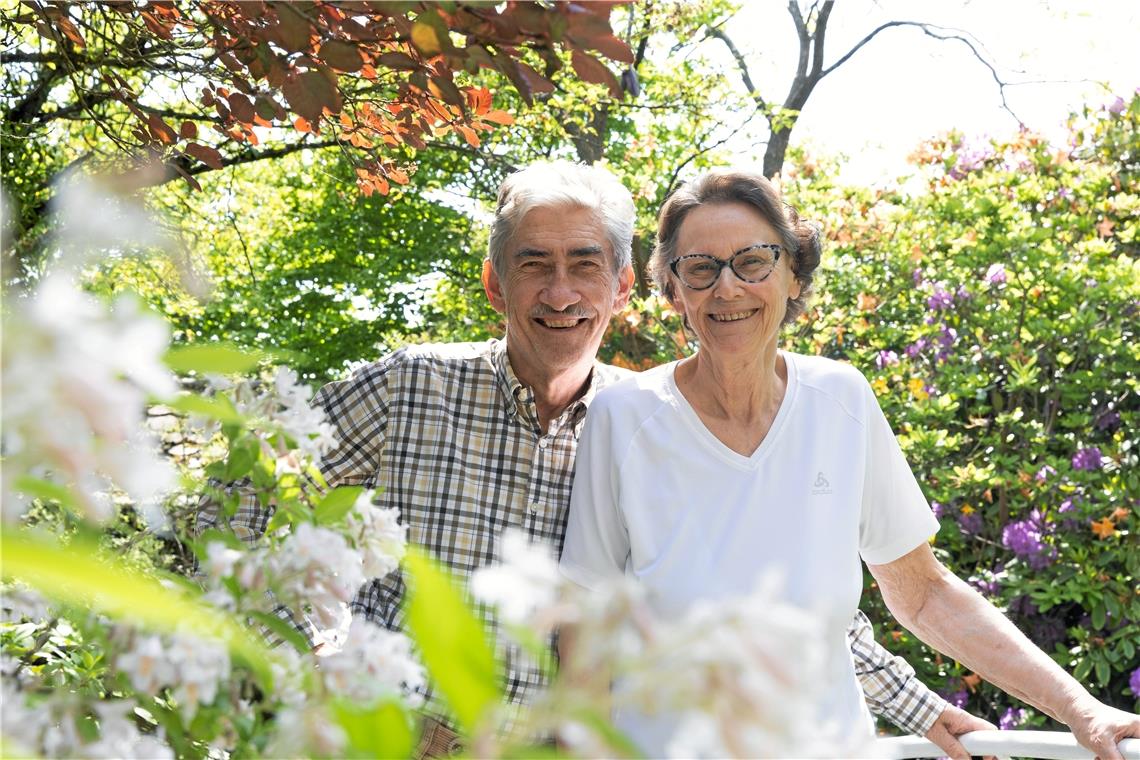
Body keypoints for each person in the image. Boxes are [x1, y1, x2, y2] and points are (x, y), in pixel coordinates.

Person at [199, 161, 985, 758]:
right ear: (494, 284)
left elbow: (761, 605)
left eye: (584, 265)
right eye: (533, 263)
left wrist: (922, 711)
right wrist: (324, 661)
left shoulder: (650, 425)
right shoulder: (408, 387)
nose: (560, 291)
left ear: (620, 287)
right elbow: (228, 505)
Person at [559, 167, 1140, 758]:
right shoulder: (622, 419)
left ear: (792, 274)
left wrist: (1081, 709)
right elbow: (583, 629)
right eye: (701, 268)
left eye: (753, 261)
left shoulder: (841, 400)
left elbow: (924, 594)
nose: (727, 288)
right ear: (675, 291)